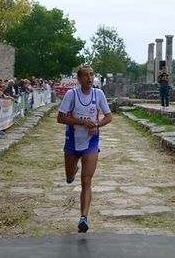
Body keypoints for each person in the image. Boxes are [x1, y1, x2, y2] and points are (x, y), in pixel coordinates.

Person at [57, 65, 112, 233]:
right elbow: (60, 118)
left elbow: (108, 116)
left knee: (86, 180)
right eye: (86, 75)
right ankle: (72, 170)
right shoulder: (71, 94)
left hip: (91, 140)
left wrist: (96, 124)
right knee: (69, 177)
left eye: (92, 75)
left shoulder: (98, 94)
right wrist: (82, 122)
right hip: (73, 140)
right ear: (79, 79)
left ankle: (83, 218)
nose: (89, 78)